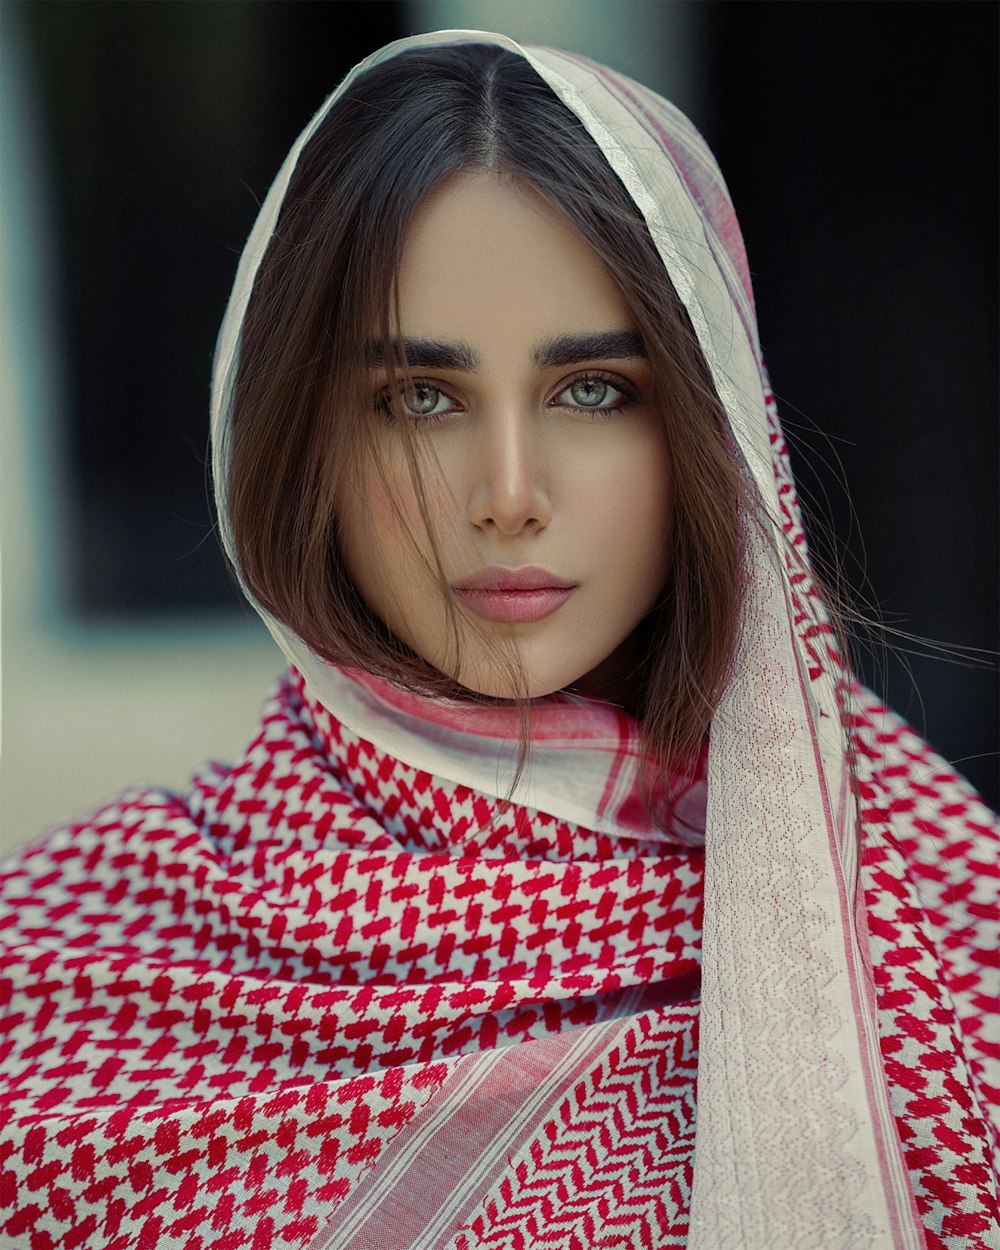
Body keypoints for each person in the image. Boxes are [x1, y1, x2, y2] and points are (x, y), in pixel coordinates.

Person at [1, 29, 996, 1250]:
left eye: (593, 390)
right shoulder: (65, 982)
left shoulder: (940, 928)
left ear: (713, 430)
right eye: (419, 397)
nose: (508, 491)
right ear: (297, 435)